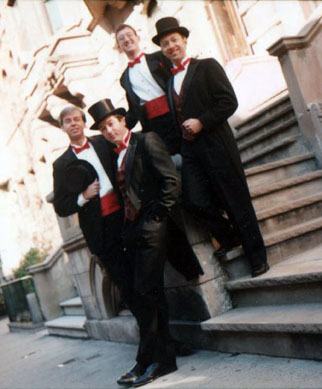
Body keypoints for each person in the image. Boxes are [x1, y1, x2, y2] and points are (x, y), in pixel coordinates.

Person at [87, 98, 200, 387]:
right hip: (134, 230)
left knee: (145, 291)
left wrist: (157, 217)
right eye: (103, 128)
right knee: (149, 293)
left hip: (154, 226)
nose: (109, 131)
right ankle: (158, 359)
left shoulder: (146, 140)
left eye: (111, 123)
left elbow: (170, 181)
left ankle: (151, 360)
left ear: (123, 121)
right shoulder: (116, 155)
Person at [154, 17, 269, 278]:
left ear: (184, 41)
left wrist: (201, 122)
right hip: (192, 151)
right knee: (194, 200)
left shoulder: (206, 66)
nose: (171, 46)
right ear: (162, 50)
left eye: (174, 40)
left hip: (218, 145)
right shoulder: (170, 82)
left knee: (236, 201)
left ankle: (257, 258)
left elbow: (229, 102)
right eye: (165, 43)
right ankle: (229, 237)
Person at [52, 106, 131, 297]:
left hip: (125, 215)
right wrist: (83, 197)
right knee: (123, 281)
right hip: (99, 227)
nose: (73, 124)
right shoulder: (61, 164)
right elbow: (60, 206)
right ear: (62, 127)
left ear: (84, 123)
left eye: (76, 119)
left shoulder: (104, 142)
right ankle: (148, 325)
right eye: (68, 121)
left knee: (142, 272)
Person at [116, 23, 181, 157]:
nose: (126, 40)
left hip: (176, 116)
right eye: (121, 39)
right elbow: (134, 109)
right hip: (154, 127)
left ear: (137, 37)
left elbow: (179, 81)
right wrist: (118, 126)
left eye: (129, 35)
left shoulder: (159, 57)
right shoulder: (124, 78)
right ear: (119, 47)